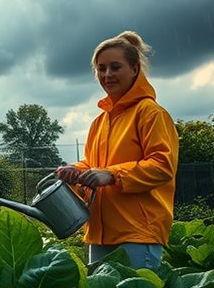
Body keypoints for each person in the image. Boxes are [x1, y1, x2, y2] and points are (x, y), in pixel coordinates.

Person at [56, 31, 178, 270]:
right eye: (101, 69)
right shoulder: (100, 122)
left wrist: (112, 175)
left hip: (137, 234)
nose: (107, 75)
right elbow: (94, 165)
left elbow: (163, 166)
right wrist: (75, 171)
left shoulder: (151, 113)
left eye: (115, 67)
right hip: (99, 233)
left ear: (135, 69)